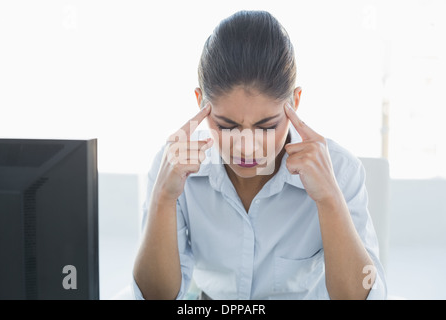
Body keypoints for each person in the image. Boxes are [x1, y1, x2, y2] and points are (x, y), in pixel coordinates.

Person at [133, 10, 387, 300]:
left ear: (296, 101)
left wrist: (329, 198)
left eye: (266, 127)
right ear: (200, 102)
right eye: (227, 126)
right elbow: (155, 296)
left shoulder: (339, 170)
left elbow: (363, 296)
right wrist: (163, 197)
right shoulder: (174, 166)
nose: (246, 148)